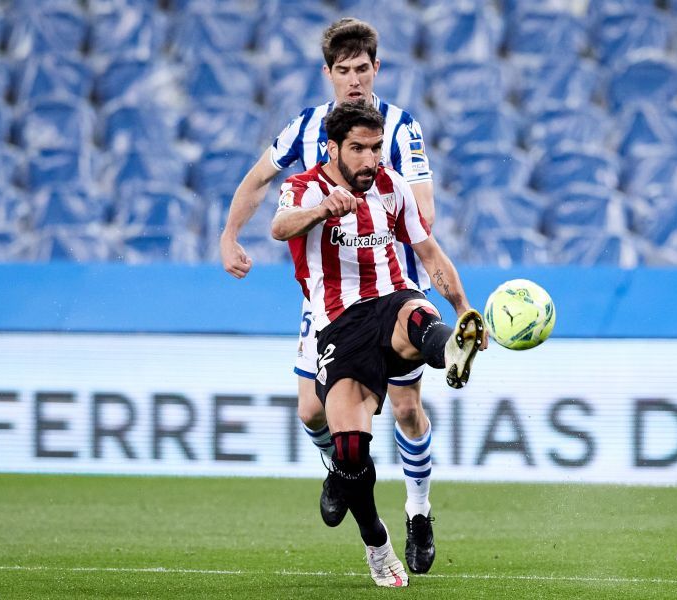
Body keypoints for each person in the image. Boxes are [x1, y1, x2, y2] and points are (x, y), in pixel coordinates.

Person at [219, 19, 440, 573]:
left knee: (408, 409)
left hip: (392, 290)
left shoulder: (401, 128)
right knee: (311, 409)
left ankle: (418, 513)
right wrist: (229, 234)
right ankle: (342, 470)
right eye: (342, 71)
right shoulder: (306, 127)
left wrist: (370, 210)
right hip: (329, 299)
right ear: (328, 74)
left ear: (376, 69)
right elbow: (257, 181)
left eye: (362, 69)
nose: (353, 81)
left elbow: (423, 211)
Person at [271, 101, 486, 588]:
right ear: (333, 148)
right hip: (339, 325)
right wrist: (321, 210)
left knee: (416, 315)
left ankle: (451, 349)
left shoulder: (392, 185)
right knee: (349, 448)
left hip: (391, 300)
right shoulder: (302, 188)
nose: (370, 160)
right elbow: (278, 228)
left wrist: (463, 307)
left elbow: (428, 252)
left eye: (375, 148)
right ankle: (375, 539)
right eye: (358, 150)